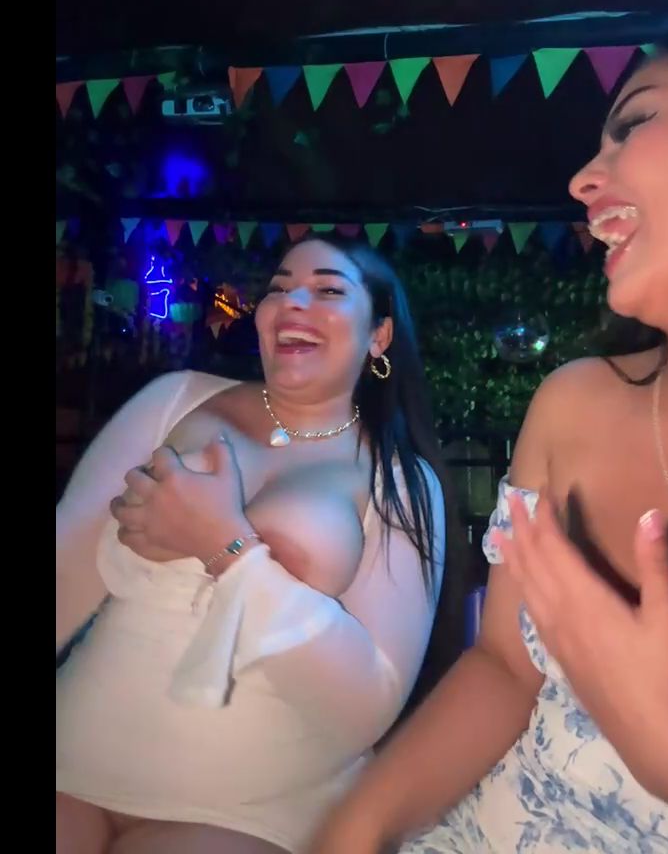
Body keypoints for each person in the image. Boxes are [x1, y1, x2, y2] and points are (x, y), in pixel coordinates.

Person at [310, 9, 668, 854]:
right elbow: (503, 667)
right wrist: (355, 828)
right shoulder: (572, 405)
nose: (582, 180)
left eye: (635, 123)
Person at [56, 236, 452, 854]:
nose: (293, 301)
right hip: (72, 760)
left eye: (327, 289)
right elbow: (64, 572)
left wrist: (228, 548)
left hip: (246, 810)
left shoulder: (400, 480)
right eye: (278, 287)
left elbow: (367, 705)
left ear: (378, 336)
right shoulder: (175, 399)